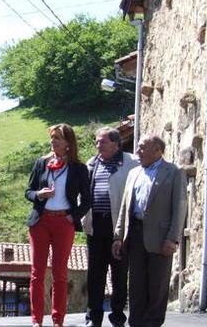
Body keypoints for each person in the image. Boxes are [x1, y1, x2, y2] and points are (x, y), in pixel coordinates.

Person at [112, 135, 186, 327]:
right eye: (138, 147)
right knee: (136, 285)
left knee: (157, 286)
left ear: (157, 150)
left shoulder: (174, 172)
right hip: (135, 234)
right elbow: (124, 208)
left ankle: (152, 323)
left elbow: (180, 208)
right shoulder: (133, 173)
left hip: (161, 238)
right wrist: (118, 236)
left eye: (143, 147)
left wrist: (173, 238)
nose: (138, 151)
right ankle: (135, 323)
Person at [25, 123, 92, 327]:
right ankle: (36, 320)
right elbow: (28, 191)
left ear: (68, 143)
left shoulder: (79, 168)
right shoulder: (41, 163)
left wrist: (73, 217)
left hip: (64, 222)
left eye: (57, 138)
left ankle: (57, 320)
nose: (53, 141)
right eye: (52, 137)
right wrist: (39, 194)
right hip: (40, 222)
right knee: (37, 273)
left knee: (60, 273)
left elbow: (87, 200)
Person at [82, 127, 139, 327]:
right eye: (97, 142)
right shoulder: (91, 163)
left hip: (119, 227)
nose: (98, 145)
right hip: (96, 226)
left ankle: (117, 317)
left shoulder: (132, 163)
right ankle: (93, 318)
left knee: (119, 274)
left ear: (116, 144)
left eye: (103, 142)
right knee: (95, 275)